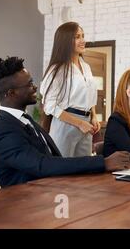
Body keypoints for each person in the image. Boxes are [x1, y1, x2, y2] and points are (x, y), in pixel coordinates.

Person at [0, 57, 130, 188]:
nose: (35, 87)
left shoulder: (24, 120)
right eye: (29, 84)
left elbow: (52, 160)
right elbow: (42, 165)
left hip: (49, 192)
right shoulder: (3, 131)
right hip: (27, 205)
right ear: (11, 93)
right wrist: (103, 162)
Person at [40, 22, 100, 157]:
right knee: (63, 171)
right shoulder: (57, 70)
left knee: (84, 170)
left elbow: (90, 96)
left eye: (83, 36)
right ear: (66, 41)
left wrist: (94, 117)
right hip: (66, 123)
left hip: (87, 124)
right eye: (77, 37)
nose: (83, 40)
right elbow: (50, 106)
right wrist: (79, 123)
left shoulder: (86, 67)